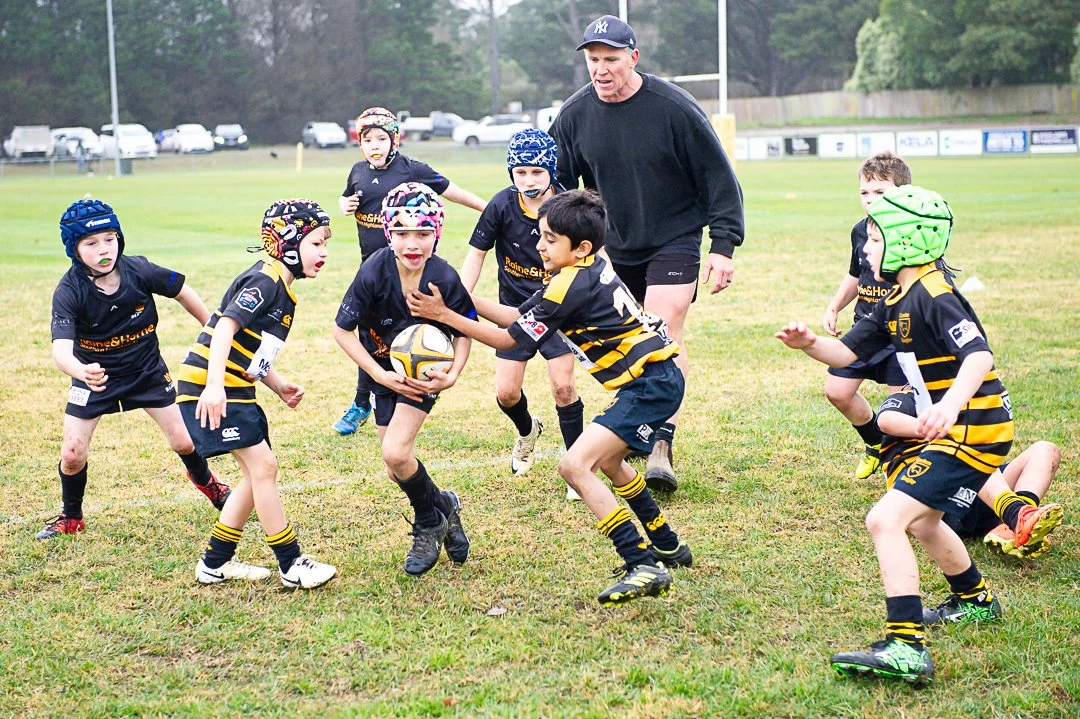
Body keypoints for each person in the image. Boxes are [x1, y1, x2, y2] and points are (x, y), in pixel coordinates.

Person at [776, 185, 1018, 686]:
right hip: (963, 429)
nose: (865, 249)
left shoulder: (935, 294)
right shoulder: (895, 299)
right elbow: (847, 355)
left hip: (973, 429)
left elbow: (978, 355)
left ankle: (906, 646)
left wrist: (949, 404)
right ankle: (975, 601)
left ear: (906, 241)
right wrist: (810, 344)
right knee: (923, 520)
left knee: (885, 519)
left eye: (874, 239)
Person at [408, 190, 692, 605]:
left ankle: (640, 562)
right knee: (610, 462)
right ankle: (666, 543)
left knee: (574, 466)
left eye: (550, 239)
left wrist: (445, 315)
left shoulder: (567, 286)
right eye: (540, 235)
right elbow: (518, 316)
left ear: (581, 247)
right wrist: (461, 299)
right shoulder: (584, 270)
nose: (539, 245)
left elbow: (509, 338)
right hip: (654, 380)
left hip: (650, 385)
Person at [548, 15, 745, 494]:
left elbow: (719, 178)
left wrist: (722, 246)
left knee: (662, 328)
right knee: (625, 343)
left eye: (611, 59)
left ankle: (660, 443)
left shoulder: (674, 108)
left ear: (634, 58)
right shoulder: (574, 116)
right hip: (612, 244)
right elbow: (558, 187)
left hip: (674, 236)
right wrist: (563, 244)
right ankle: (635, 426)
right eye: (593, 60)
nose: (601, 69)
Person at [39, 198, 231, 541]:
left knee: (185, 441)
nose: (104, 249)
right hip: (95, 379)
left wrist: (212, 332)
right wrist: (81, 371)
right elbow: (60, 352)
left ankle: (211, 485)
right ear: (74, 249)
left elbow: (183, 291)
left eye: (109, 239)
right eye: (91, 243)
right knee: (72, 454)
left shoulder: (139, 270)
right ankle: (71, 516)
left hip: (146, 373)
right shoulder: (69, 291)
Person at [180, 199, 337, 589]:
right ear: (287, 242)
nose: (324, 252)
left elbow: (252, 351)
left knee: (255, 476)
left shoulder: (282, 288)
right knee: (264, 468)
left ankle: (215, 563)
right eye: (316, 243)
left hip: (237, 387)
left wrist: (278, 385)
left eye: (325, 244)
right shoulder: (265, 281)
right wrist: (214, 387)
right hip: (212, 387)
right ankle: (291, 563)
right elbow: (224, 328)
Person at [333, 183, 474, 577]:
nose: (412, 243)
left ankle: (428, 523)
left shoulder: (443, 276)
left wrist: (452, 375)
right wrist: (379, 375)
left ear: (437, 233)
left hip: (421, 377)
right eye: (402, 232)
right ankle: (444, 505)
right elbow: (342, 331)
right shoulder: (373, 271)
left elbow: (465, 330)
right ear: (387, 233)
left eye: (423, 233)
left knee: (396, 453)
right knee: (395, 466)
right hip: (384, 374)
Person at [332, 107, 487, 437]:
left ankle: (408, 387)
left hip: (414, 267)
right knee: (369, 335)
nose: (374, 146)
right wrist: (343, 204)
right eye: (367, 140)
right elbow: (346, 199)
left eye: (381, 138)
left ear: (394, 140)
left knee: (404, 334)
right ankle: (362, 401)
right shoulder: (357, 171)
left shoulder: (411, 169)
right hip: (374, 269)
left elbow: (451, 190)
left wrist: (487, 209)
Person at [458, 129, 583, 498]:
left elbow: (593, 258)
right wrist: (459, 297)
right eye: (521, 173)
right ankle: (528, 430)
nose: (529, 181)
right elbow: (476, 254)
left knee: (564, 388)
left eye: (537, 172)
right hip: (512, 312)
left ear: (551, 171)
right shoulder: (501, 205)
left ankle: (577, 468)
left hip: (557, 310)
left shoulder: (568, 207)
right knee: (507, 394)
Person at [876, 390, 1063, 561]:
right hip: (931, 504)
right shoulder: (909, 397)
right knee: (968, 455)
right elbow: (885, 420)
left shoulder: (964, 401)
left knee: (1046, 450)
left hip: (979, 494)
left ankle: (1016, 523)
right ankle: (1014, 514)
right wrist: (943, 432)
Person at [822, 152, 912, 479]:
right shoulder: (860, 231)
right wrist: (835, 305)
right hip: (865, 329)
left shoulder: (913, 232)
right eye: (864, 192)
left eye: (880, 192)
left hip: (901, 333)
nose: (870, 199)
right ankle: (875, 442)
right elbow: (856, 275)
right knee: (837, 391)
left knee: (899, 410)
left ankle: (903, 473)